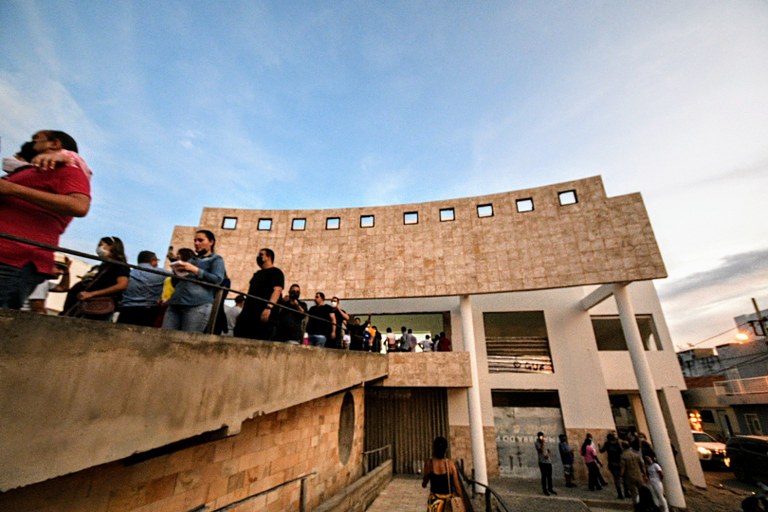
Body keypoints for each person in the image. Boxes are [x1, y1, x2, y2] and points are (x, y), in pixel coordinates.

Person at [0, 131, 91, 309]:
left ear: (54, 144)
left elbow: (79, 206)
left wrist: (11, 189)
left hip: (13, 258)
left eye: (35, 140)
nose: (28, 143)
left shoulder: (68, 169)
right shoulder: (35, 169)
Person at [162, 230, 226, 333]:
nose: (196, 243)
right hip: (175, 304)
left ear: (211, 242)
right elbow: (176, 283)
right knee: (165, 338)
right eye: (195, 240)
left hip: (196, 306)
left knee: (187, 341)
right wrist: (177, 271)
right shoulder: (191, 260)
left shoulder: (216, 259)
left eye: (200, 240)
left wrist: (194, 269)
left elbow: (217, 279)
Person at [63, 236, 130, 321]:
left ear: (112, 246)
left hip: (99, 306)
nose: (99, 248)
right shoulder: (104, 265)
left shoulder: (119, 265)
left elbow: (122, 285)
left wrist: (92, 294)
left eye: (101, 245)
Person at [234, 248, 284, 341]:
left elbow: (277, 290)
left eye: (261, 254)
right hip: (248, 315)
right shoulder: (257, 274)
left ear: (268, 257)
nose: (258, 257)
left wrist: (269, 308)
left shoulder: (276, 272)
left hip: (262, 315)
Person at [117, 251, 168, 326]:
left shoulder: (128, 273)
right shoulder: (161, 273)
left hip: (126, 310)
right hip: (149, 311)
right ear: (153, 260)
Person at [421, 436, 463, 512]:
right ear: (445, 450)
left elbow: (424, 484)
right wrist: (461, 501)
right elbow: (457, 487)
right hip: (448, 504)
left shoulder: (429, 464)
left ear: (433, 448)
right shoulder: (450, 465)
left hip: (435, 504)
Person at [600, 432, 626, 499]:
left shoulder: (607, 444)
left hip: (612, 463)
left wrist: (599, 446)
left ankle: (620, 494)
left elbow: (601, 450)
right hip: (620, 462)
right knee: (624, 477)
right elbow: (622, 451)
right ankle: (626, 492)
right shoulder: (618, 443)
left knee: (616, 479)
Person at [535, 431, 557, 496]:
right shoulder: (537, 443)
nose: (542, 438)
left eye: (543, 436)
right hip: (542, 462)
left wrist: (548, 454)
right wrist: (542, 443)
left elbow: (549, 450)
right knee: (544, 476)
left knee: (549, 476)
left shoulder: (545, 442)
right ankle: (544, 489)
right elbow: (540, 450)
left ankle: (550, 488)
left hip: (548, 461)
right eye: (541, 436)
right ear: (538, 437)